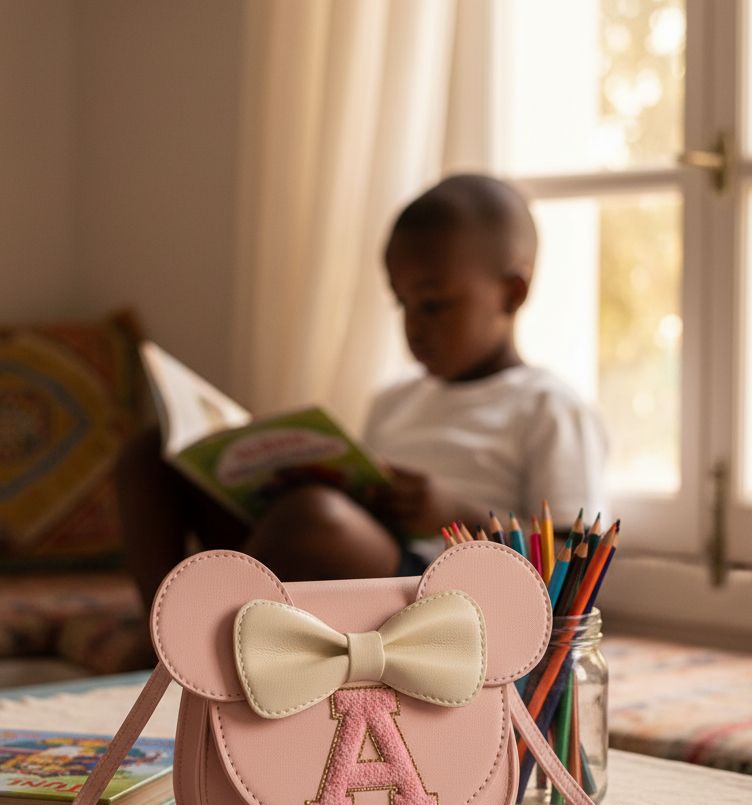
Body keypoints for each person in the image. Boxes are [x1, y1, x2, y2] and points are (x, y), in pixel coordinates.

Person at [117, 173, 605, 612]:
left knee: (313, 521)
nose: (414, 325)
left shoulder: (548, 406)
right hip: (354, 558)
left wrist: (457, 515)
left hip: (439, 595)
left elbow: (571, 563)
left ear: (512, 293)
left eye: (434, 305)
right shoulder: (395, 398)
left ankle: (209, 641)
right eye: (402, 304)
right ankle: (162, 636)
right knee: (151, 452)